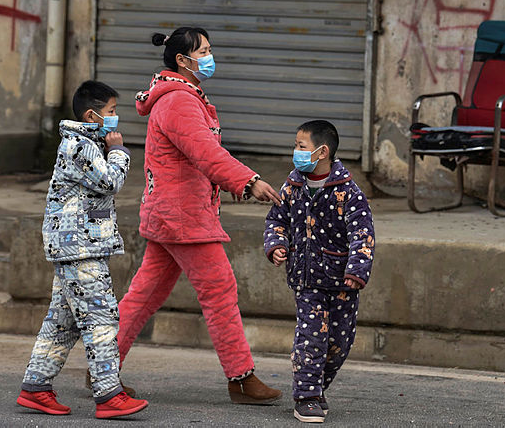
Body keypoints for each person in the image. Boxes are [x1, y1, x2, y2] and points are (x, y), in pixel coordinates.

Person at [115, 27, 284, 404]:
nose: (209, 56)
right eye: (204, 51)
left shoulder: (180, 97)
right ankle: (241, 378)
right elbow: (205, 153)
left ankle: (104, 370)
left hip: (174, 213)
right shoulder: (179, 102)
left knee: (144, 295)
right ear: (182, 60)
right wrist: (248, 181)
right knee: (219, 291)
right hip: (183, 217)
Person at [17, 80, 149, 420]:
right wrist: (119, 151)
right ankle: (109, 394)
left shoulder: (82, 143)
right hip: (81, 248)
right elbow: (110, 182)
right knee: (102, 318)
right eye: (111, 112)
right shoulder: (81, 146)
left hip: (75, 245)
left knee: (63, 321)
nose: (114, 119)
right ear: (92, 115)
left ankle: (36, 387)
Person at [263, 120, 375, 423]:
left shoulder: (349, 192)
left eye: (301, 147)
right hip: (306, 278)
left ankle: (316, 386)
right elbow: (276, 219)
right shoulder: (293, 185)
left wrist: (357, 269)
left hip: (341, 280)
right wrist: (276, 245)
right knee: (311, 337)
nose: (295, 152)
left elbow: (362, 234)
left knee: (340, 341)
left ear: (322, 152)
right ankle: (307, 395)